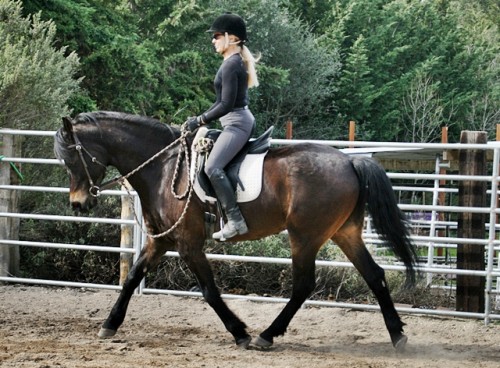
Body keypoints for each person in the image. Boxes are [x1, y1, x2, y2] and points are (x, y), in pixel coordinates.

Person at [183, 12, 260, 240]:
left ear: (231, 38)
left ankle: (235, 221)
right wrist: (200, 119)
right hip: (234, 122)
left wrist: (199, 120)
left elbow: (225, 105)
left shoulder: (231, 65)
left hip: (237, 124)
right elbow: (220, 102)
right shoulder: (232, 63)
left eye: (217, 36)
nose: (213, 40)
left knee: (212, 167)